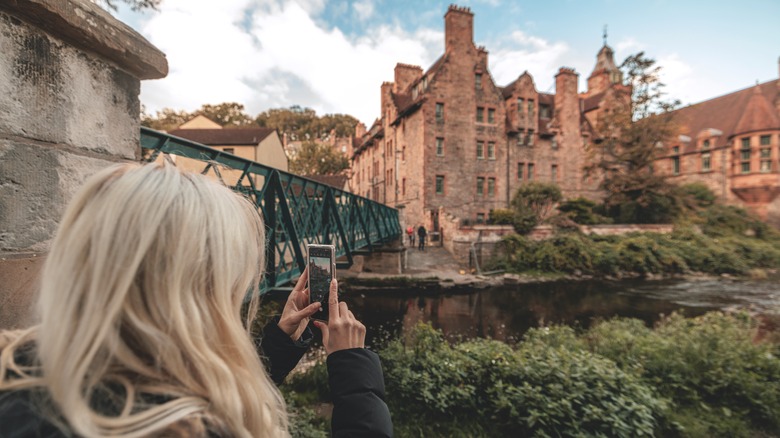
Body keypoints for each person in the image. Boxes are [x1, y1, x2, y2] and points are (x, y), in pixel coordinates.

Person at [0, 163, 392, 437]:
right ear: (194, 290)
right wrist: (353, 369)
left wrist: (280, 342)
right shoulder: (187, 429)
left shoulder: (28, 371)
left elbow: (188, 381)